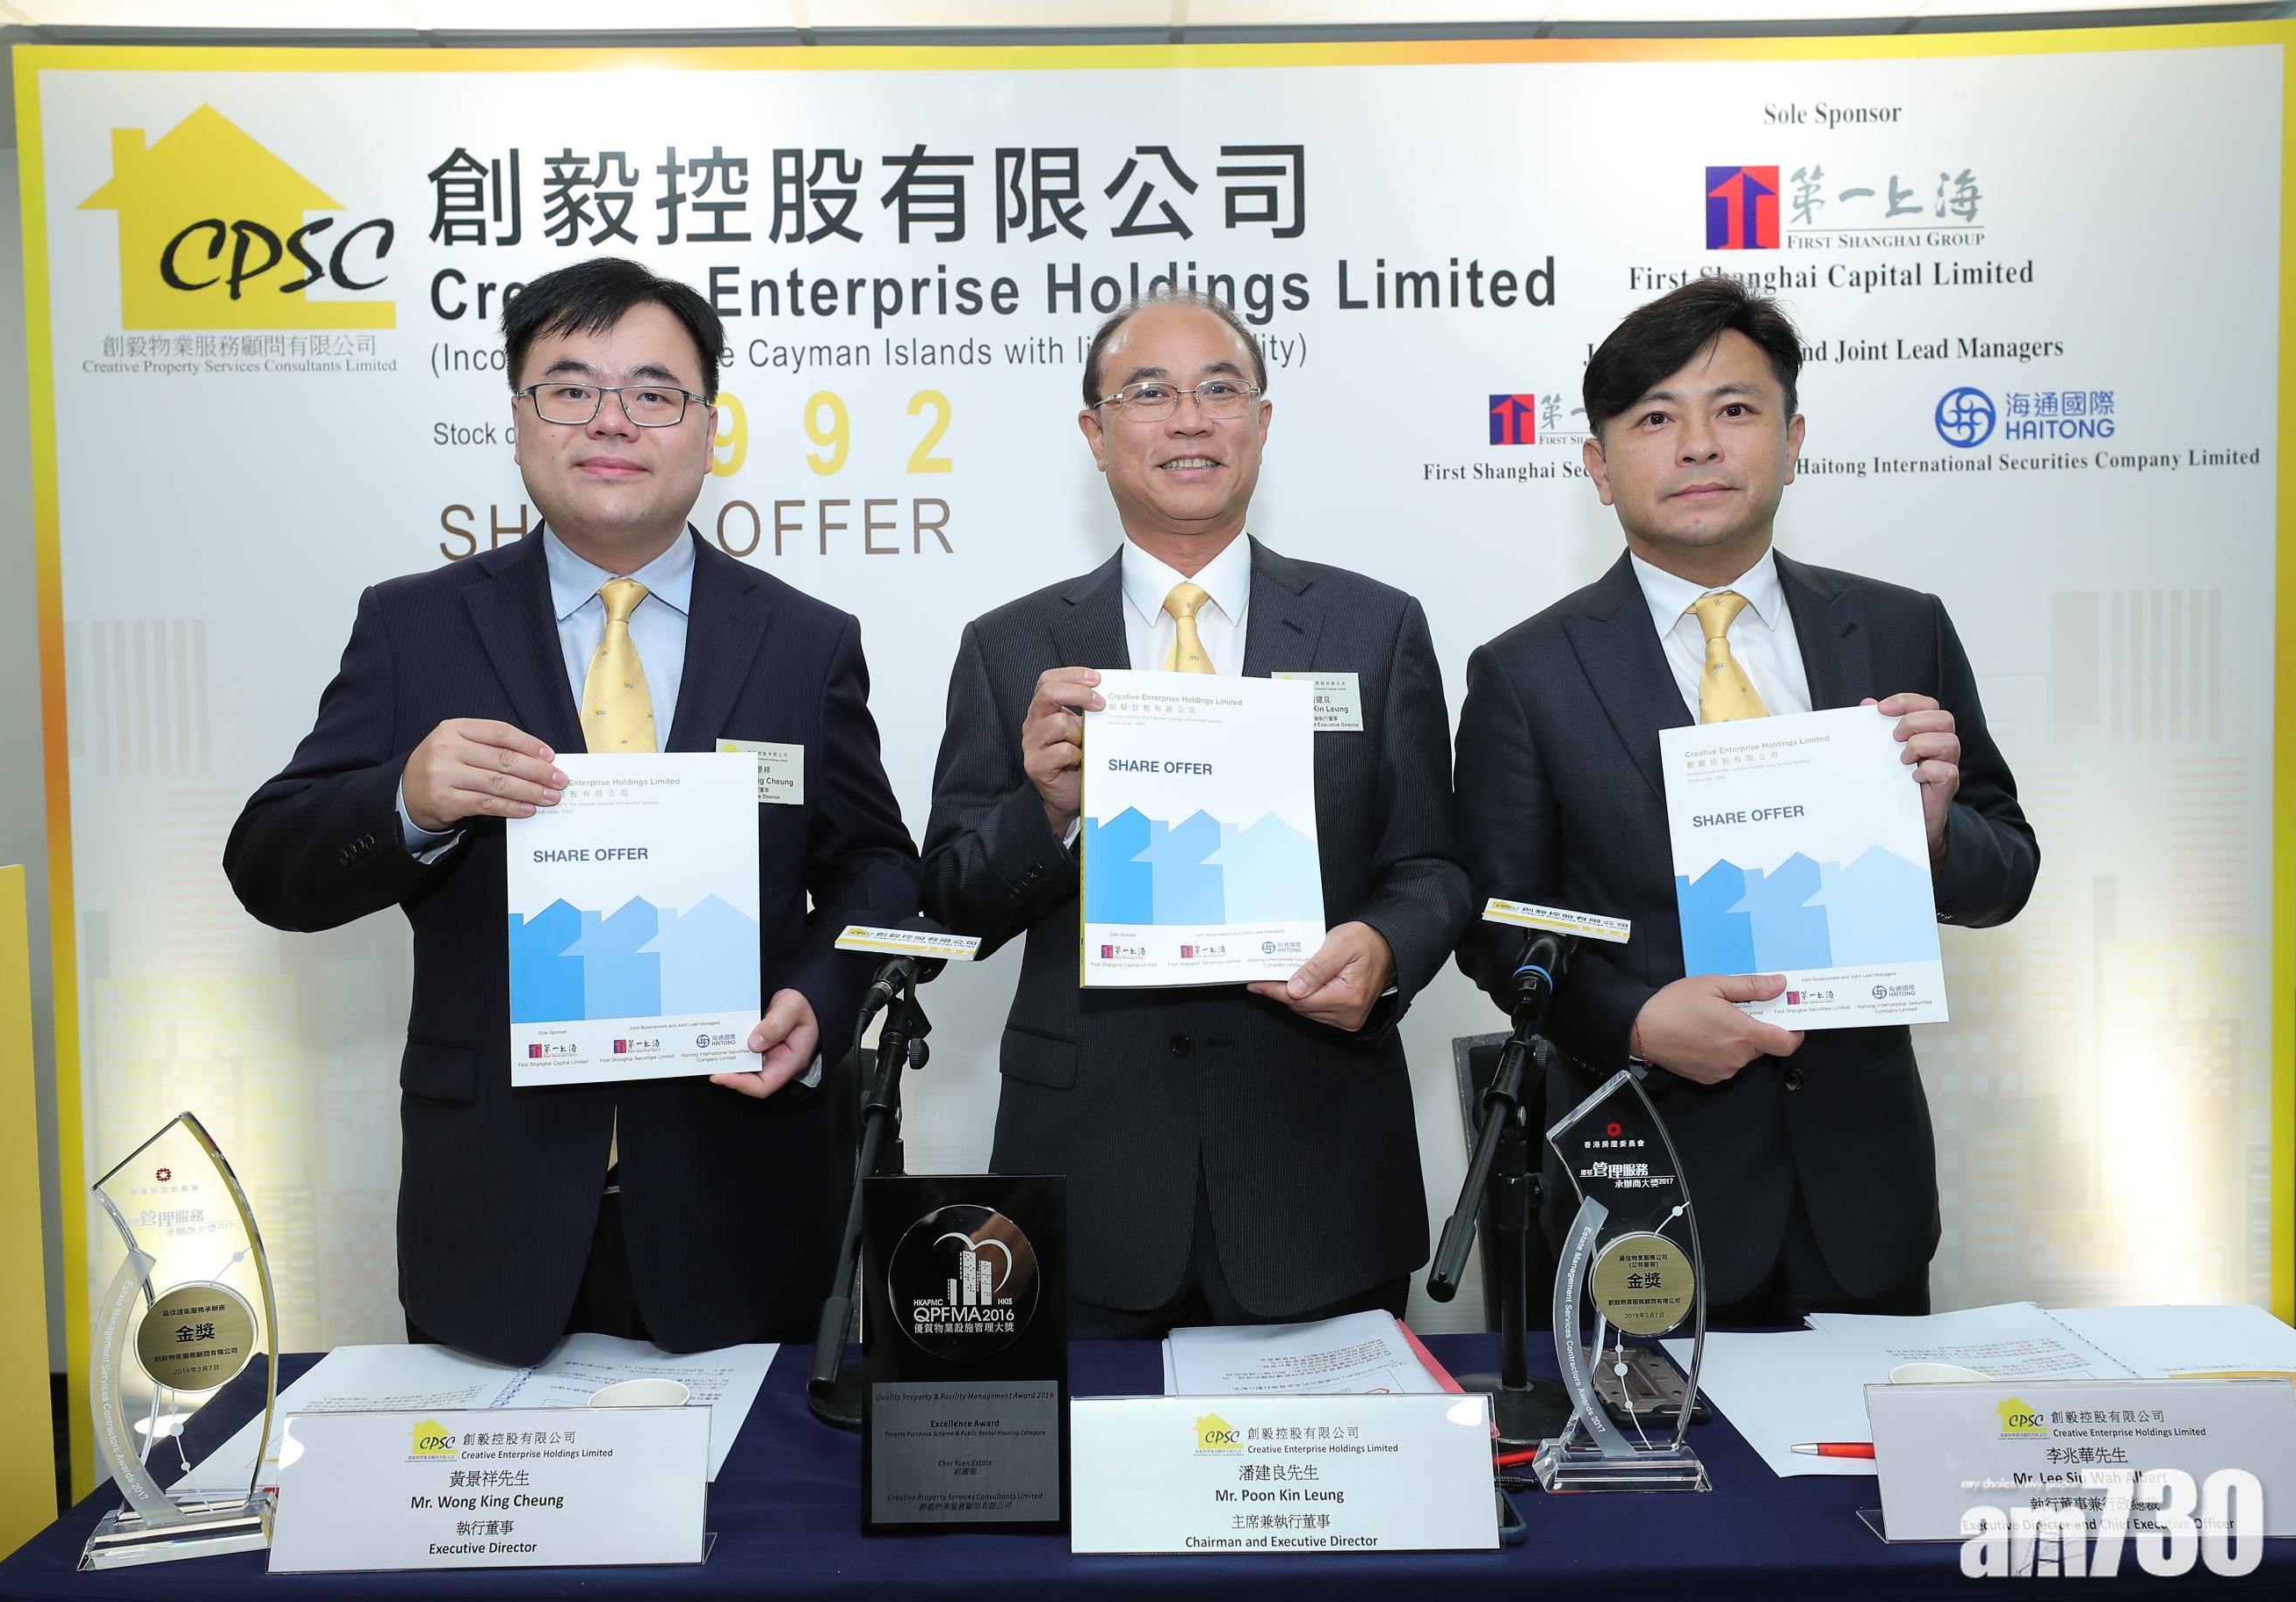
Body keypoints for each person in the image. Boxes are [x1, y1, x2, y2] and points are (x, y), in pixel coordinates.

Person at [225, 257, 920, 1364]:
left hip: (746, 1206)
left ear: (709, 427)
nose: (612, 420)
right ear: (517, 419)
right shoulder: (415, 628)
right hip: (493, 1216)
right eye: (570, 387)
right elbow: (269, 865)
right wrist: (406, 799)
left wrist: (822, 999)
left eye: (654, 392)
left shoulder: (805, 641)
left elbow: (878, 872)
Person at [1455, 277, 2038, 1323]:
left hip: (1863, 1199)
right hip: (1648, 1193)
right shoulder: (1526, 674)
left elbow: (2008, 871)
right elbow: (1504, 924)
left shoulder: (1897, 629)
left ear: (1792, 438)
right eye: (1655, 419)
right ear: (1598, 466)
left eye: (1734, 409)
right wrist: (1637, 1022)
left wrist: (1938, 837)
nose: (1698, 445)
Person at [921, 286, 1474, 1337]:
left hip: (1319, 1168)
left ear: (1260, 422)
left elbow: (1433, 867)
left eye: (1219, 390)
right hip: (1090, 1172)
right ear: (1095, 433)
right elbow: (951, 903)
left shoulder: (1374, 628)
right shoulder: (1012, 646)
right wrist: (1047, 811)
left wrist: (1385, 949)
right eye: (1149, 393)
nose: (1188, 419)